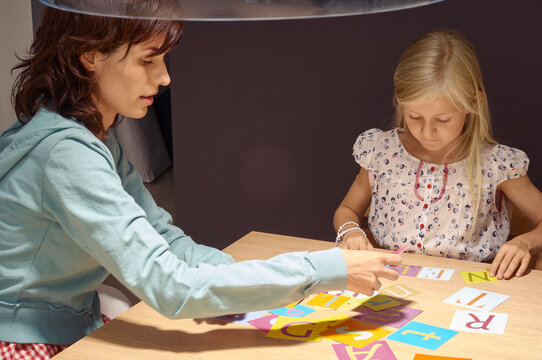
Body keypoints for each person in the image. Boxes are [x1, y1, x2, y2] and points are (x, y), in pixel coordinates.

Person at [0, 2, 401, 358]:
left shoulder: (91, 136)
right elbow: (169, 285)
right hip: (24, 339)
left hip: (68, 321)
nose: (164, 78)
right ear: (89, 56)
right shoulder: (67, 155)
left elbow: (168, 242)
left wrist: (246, 282)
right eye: (147, 61)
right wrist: (323, 270)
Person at [334, 29, 542, 281]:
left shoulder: (498, 164)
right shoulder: (380, 149)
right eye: (414, 116)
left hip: (469, 288)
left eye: (443, 119)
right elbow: (346, 209)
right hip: (390, 281)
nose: (427, 131)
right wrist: (350, 232)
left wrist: (525, 243)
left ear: (473, 104)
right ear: (399, 102)